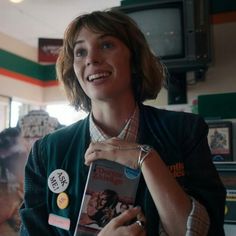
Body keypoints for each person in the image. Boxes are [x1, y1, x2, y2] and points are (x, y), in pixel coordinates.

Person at [19, 9, 226, 236]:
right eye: (80, 52)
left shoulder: (185, 131)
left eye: (106, 45)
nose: (91, 59)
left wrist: (147, 159)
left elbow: (206, 231)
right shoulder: (47, 152)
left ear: (134, 58)